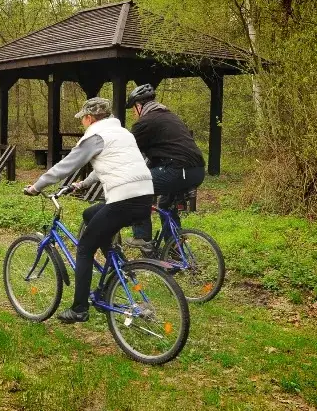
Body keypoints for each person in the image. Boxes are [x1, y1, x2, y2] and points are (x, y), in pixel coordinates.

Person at [23, 97, 154, 323]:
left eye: (82, 118)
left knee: (84, 248)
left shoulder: (95, 136)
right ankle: (114, 267)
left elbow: (66, 166)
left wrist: (37, 186)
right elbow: (108, 164)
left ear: (90, 117)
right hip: (144, 195)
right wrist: (83, 184)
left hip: (122, 199)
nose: (82, 122)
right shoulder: (123, 133)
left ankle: (79, 309)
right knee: (90, 215)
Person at [124, 84, 205, 250]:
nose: (134, 113)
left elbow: (129, 152)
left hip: (177, 170)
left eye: (133, 108)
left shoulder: (144, 123)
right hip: (196, 171)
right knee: (166, 205)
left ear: (139, 106)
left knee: (135, 187)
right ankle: (174, 247)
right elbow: (161, 151)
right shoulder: (170, 116)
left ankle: (142, 237)